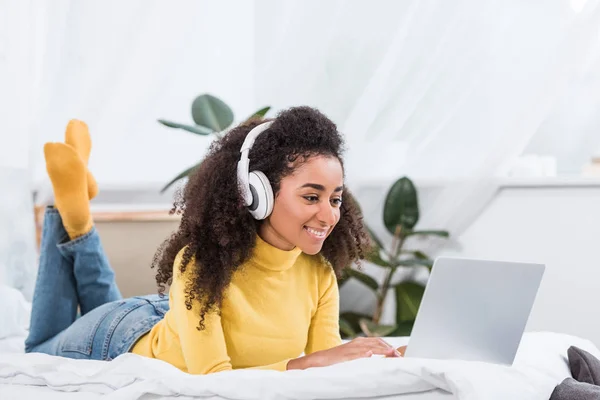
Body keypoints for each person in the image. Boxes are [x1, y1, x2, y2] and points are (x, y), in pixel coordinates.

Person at [25, 106, 402, 375]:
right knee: (38, 349)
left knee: (99, 303)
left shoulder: (318, 273)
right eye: (311, 196)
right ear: (258, 194)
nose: (329, 215)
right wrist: (301, 363)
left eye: (335, 198)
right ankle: (68, 212)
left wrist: (376, 359)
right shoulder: (202, 264)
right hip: (124, 337)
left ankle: (77, 213)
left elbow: (323, 363)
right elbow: (214, 378)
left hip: (174, 317)